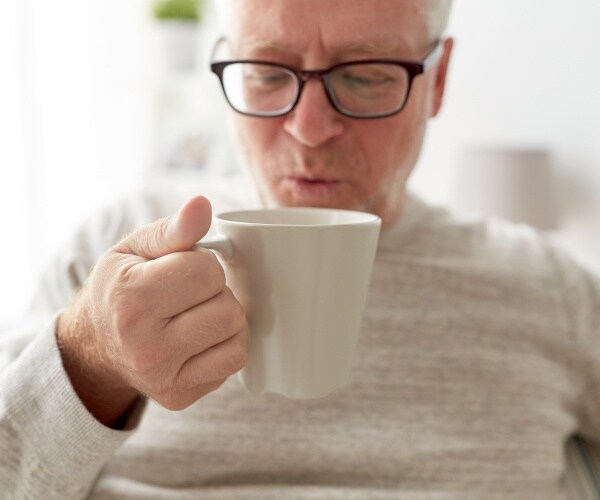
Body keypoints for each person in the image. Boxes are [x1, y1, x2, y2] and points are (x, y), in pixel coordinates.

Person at [1, 0, 599, 498]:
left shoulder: (550, 289)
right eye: (265, 73)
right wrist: (91, 362)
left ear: (436, 80)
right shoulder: (117, 250)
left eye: (365, 76)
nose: (310, 130)